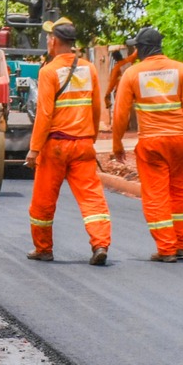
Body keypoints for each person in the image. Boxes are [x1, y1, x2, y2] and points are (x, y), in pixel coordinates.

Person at [109, 25, 183, 261]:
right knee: (180, 190)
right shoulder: (180, 70)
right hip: (178, 142)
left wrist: (117, 144)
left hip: (151, 144)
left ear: (143, 49)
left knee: (156, 195)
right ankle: (181, 243)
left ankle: (166, 248)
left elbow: (121, 114)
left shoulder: (133, 74)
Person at [26, 19, 111, 266]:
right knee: (92, 199)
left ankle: (43, 248)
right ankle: (100, 243)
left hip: (56, 146)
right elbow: (96, 109)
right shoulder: (89, 69)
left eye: (48, 39)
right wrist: (90, 139)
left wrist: (34, 149)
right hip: (83, 144)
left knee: (43, 200)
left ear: (53, 41)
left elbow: (44, 114)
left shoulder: (49, 72)